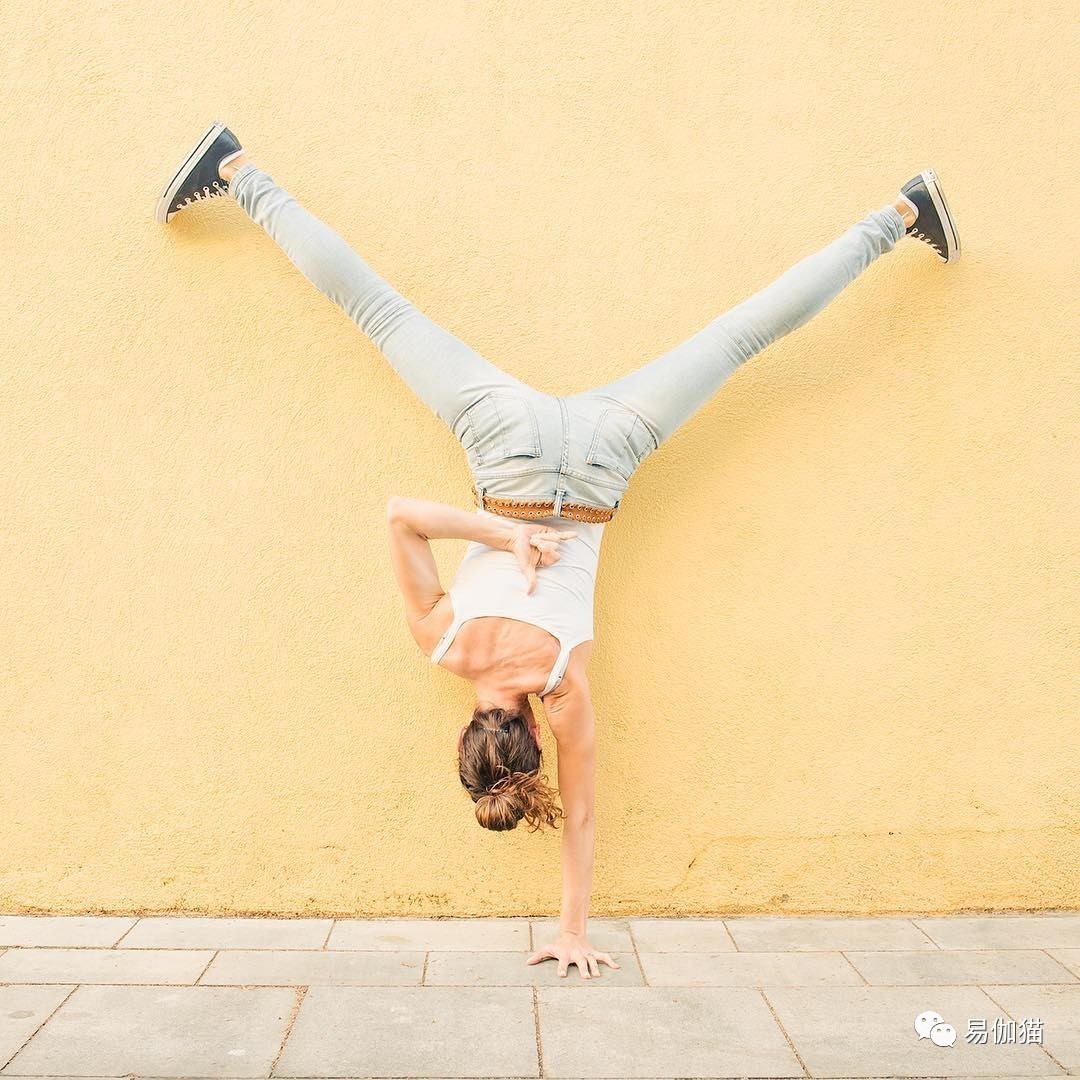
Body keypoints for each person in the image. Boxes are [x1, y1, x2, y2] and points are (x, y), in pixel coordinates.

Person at [156, 121, 960, 978]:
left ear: (533, 733)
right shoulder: (442, 638)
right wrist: (501, 531)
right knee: (378, 310)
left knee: (741, 336)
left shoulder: (562, 685)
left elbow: (577, 818)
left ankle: (902, 212)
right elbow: (403, 515)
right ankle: (238, 171)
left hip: (609, 455)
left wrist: (573, 933)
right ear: (467, 729)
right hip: (504, 446)